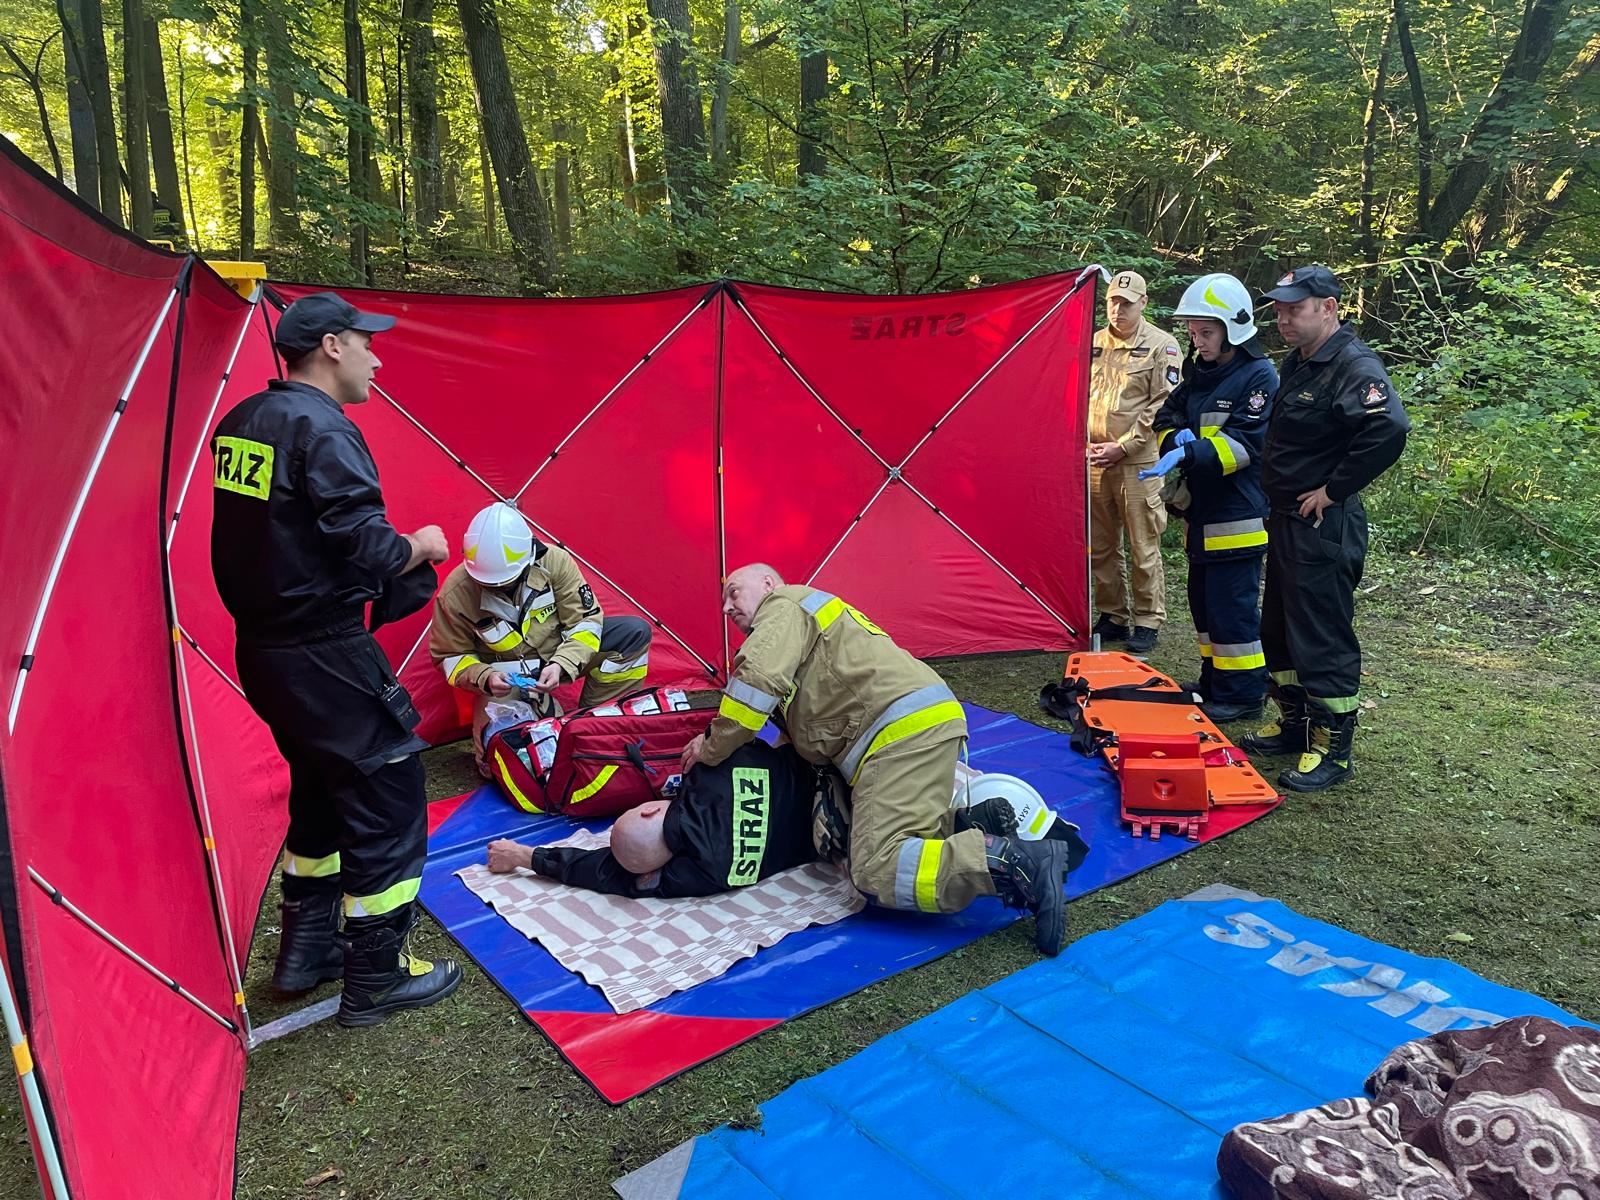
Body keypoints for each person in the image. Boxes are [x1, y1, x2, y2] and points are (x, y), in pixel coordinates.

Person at [210, 290, 462, 1028]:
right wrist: (425, 544)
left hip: (264, 651)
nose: (376, 357)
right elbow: (370, 547)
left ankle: (305, 951)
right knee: (389, 796)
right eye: (367, 343)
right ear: (330, 347)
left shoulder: (244, 423)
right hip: (322, 649)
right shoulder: (322, 427)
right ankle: (376, 976)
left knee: (321, 789)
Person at [678, 564, 1081, 956]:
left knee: (877, 868)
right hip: (926, 724)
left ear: (768, 583)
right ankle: (970, 826)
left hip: (894, 738)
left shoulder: (782, 607)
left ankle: (1012, 862)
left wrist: (709, 747)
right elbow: (803, 725)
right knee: (911, 842)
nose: (728, 608)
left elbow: (754, 689)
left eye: (734, 592)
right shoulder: (809, 626)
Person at [1243, 265, 1410, 790]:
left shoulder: (1352, 365)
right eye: (1280, 308)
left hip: (1323, 522)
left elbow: (1389, 428)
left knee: (1321, 634)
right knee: (1279, 629)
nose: (1284, 318)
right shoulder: (1300, 362)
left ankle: (1333, 748)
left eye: (1296, 308)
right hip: (1288, 521)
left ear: (1329, 308)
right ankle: (1296, 724)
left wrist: (1334, 489)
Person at [486, 742, 1031, 899]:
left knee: (880, 846)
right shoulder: (711, 767)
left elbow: (609, 875)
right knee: (877, 805)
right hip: (843, 778)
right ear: (654, 807)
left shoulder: (702, 875)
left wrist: (531, 858)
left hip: (834, 834)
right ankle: (958, 815)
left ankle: (960, 823)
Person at [1142, 272, 1278, 722]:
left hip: (1236, 516)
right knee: (1204, 605)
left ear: (1233, 329)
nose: (1197, 340)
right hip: (1201, 517)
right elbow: (1167, 413)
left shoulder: (1259, 376)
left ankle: (1243, 694)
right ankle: (1215, 679)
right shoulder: (1202, 372)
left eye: (1206, 331)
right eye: (1193, 331)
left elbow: (1244, 446)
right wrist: (1172, 438)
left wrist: (1190, 450)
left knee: (1232, 611)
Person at [429, 502, 653, 773]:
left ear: (530, 557)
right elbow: (450, 657)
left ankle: (597, 725)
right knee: (501, 762)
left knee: (632, 634)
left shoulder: (554, 562)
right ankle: (547, 723)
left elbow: (585, 622)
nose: (500, 588)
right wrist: (484, 678)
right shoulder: (455, 593)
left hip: (558, 656)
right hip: (503, 682)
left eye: (508, 581)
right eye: (489, 585)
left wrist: (562, 664)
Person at [1088, 270, 1183, 655]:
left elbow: (1163, 405)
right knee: (1101, 545)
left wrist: (1124, 446)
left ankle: (1147, 618)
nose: (1117, 309)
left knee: (1143, 542)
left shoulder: (1163, 346)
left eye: (1126, 303)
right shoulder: (1091, 343)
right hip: (1093, 460)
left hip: (1138, 461)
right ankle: (1112, 613)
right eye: (1112, 301)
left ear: (1143, 303)